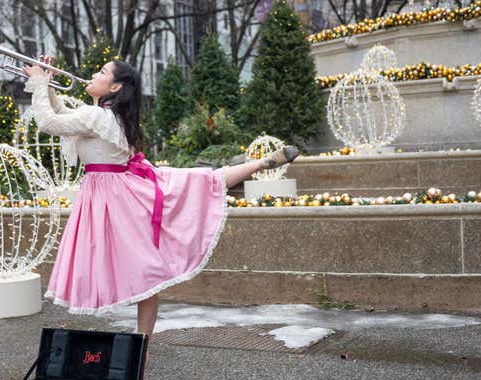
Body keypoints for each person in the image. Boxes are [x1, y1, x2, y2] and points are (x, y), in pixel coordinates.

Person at [23, 56, 298, 357]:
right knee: (197, 189)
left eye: (102, 72)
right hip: (116, 193)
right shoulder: (101, 115)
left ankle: (260, 162)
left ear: (115, 86)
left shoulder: (97, 116)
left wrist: (38, 83)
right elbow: (62, 117)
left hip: (115, 198)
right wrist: (46, 84)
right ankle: (140, 350)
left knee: (192, 197)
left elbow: (48, 122)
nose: (93, 73)